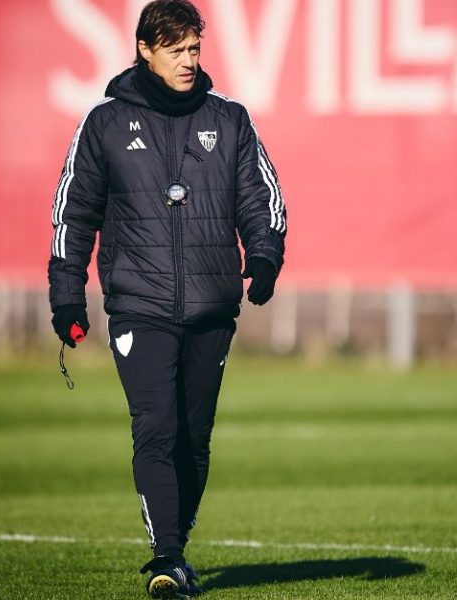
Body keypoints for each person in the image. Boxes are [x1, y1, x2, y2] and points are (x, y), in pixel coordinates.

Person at [47, 0, 286, 596]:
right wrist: (67, 298)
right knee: (155, 426)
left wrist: (263, 257)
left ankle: (174, 540)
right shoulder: (104, 123)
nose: (188, 60)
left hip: (212, 305)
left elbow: (263, 200)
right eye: (175, 49)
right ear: (145, 51)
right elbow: (73, 214)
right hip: (137, 305)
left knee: (193, 439)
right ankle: (168, 559)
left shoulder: (229, 120)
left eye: (195, 49)